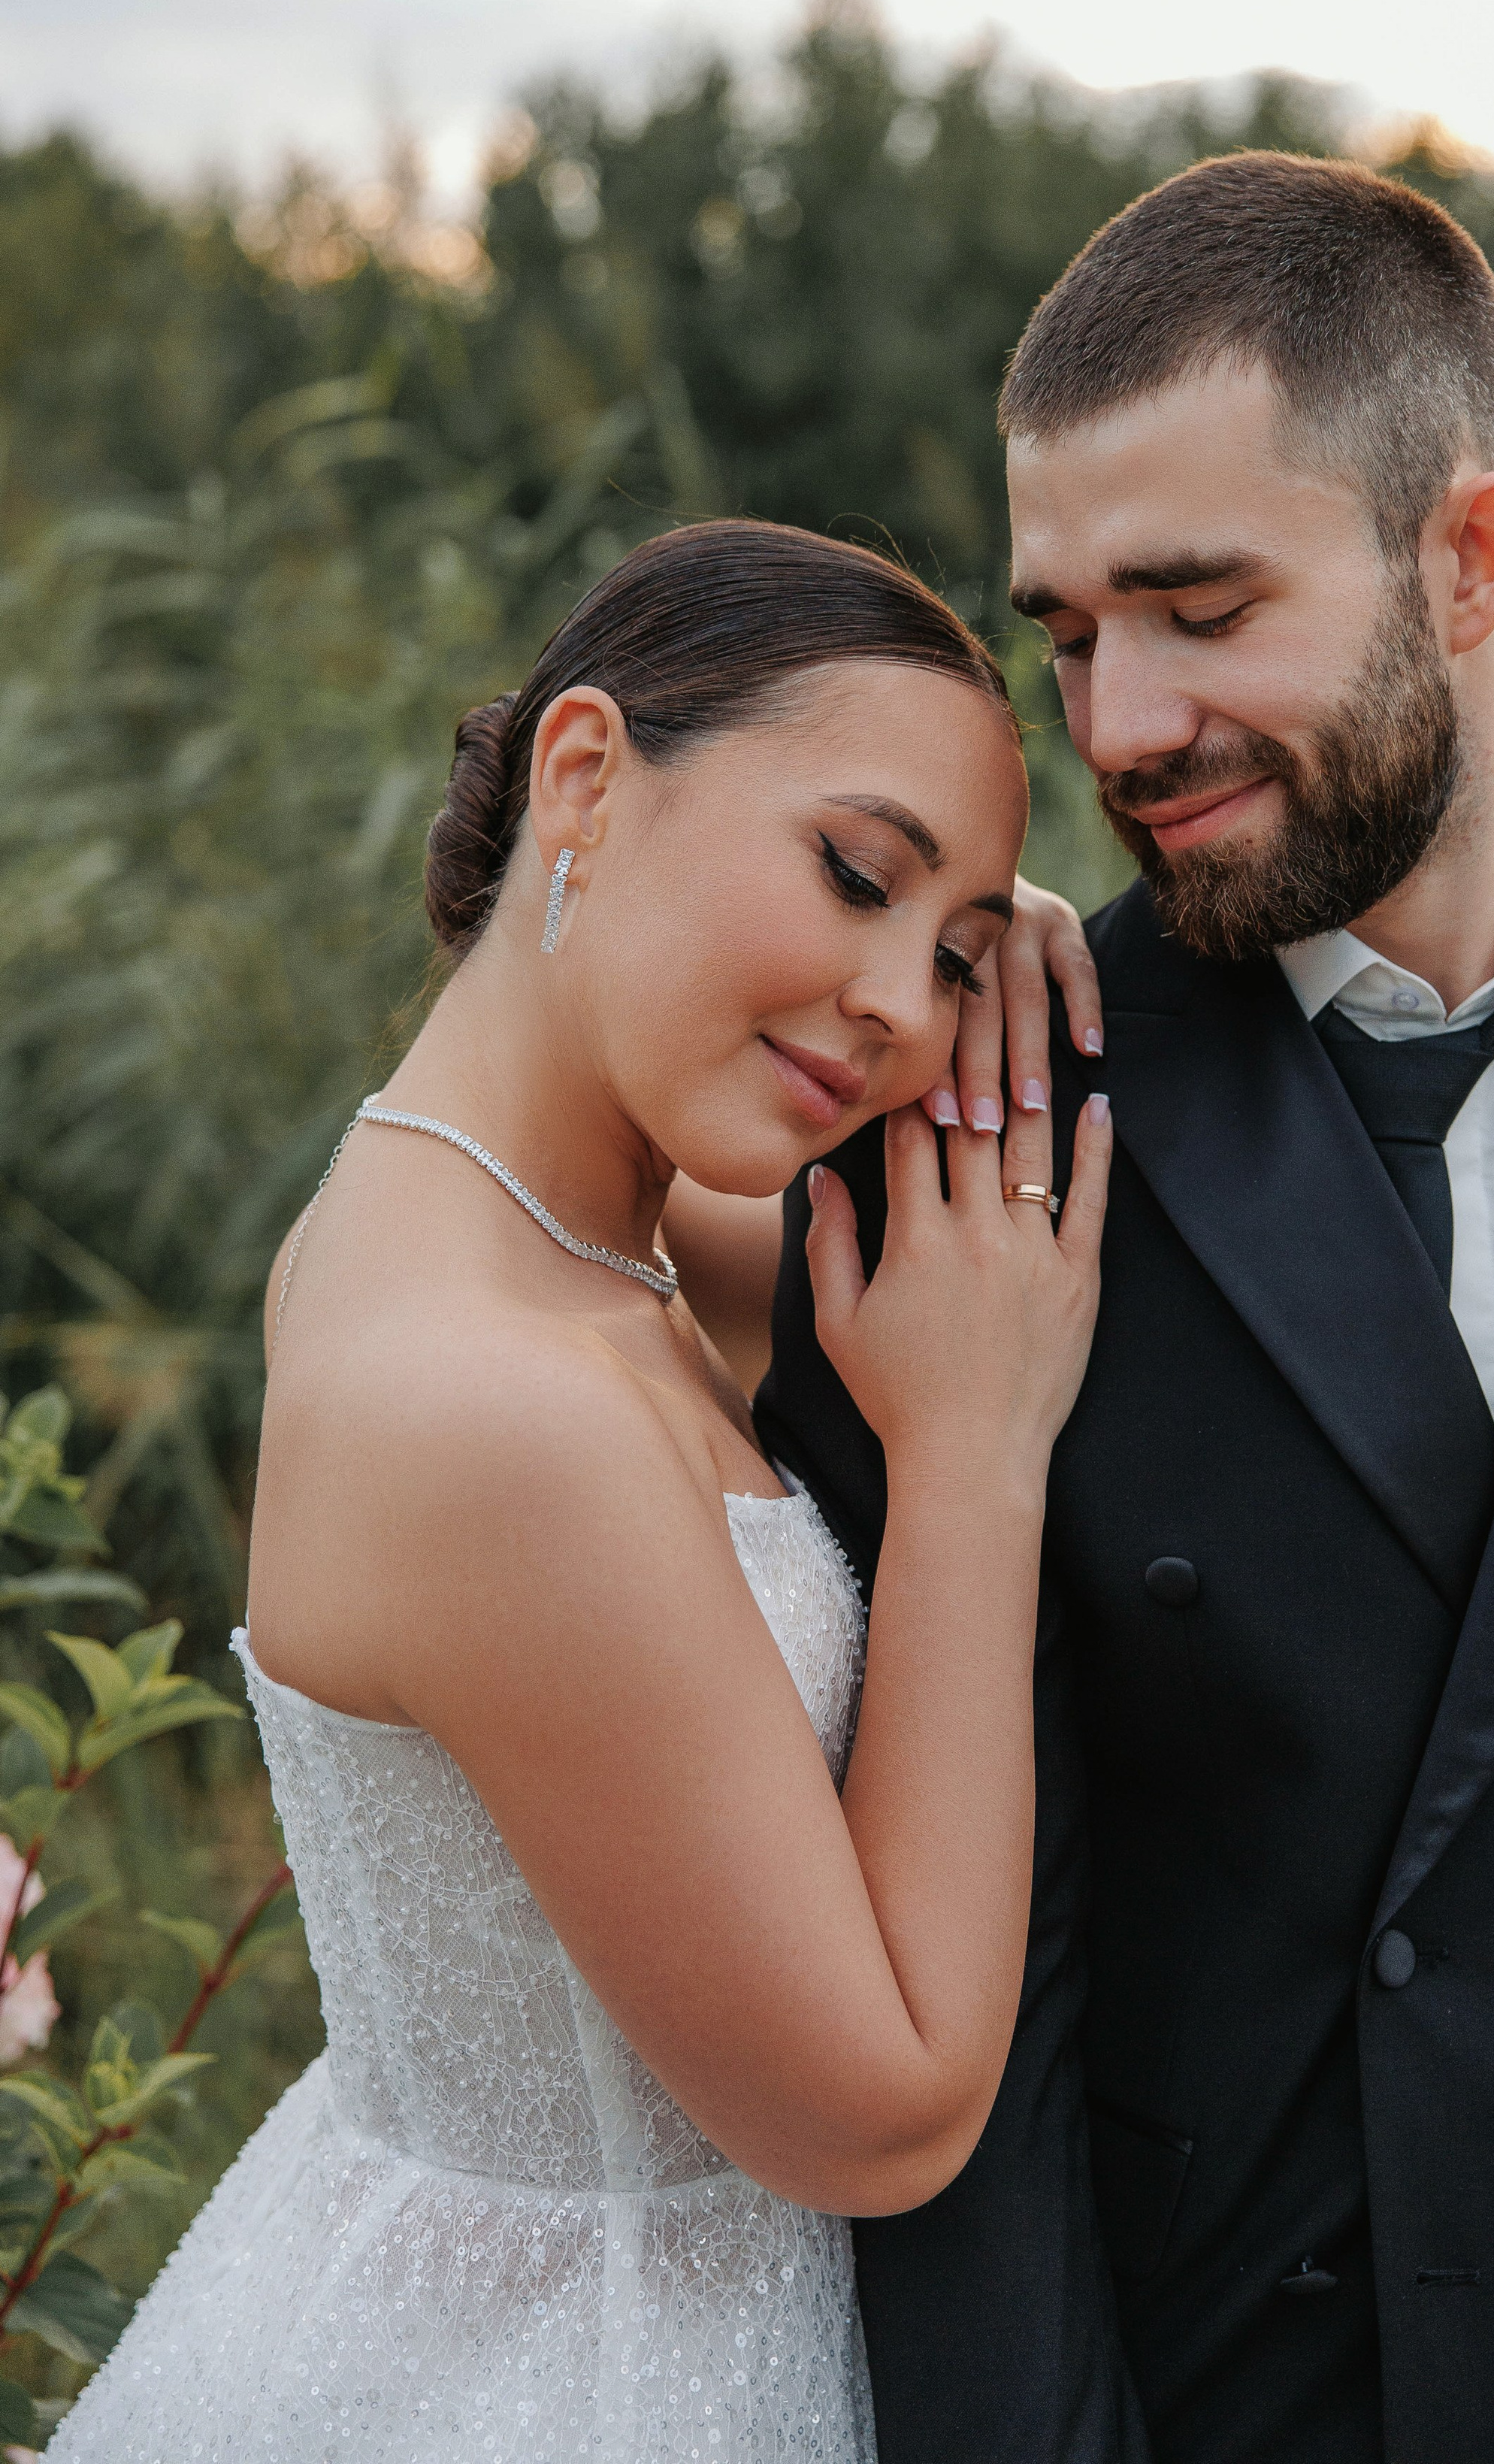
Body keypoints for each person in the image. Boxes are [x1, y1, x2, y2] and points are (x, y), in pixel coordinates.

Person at [757, 154, 1494, 2464]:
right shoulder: (979, 1132)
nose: (1115, 724)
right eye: (1072, 630)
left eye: (1199, 608)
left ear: (1470, 562)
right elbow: (980, 2029)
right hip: (1227, 2397)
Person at [49, 519, 1110, 2462]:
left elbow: (766, 1229)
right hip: (561, 2386)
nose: (898, 1002)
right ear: (587, 777)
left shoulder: (527, 1229)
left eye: (945, 954)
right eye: (854, 874)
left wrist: (1011, 947)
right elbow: (880, 2113)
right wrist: (972, 1467)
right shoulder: (495, 1413)